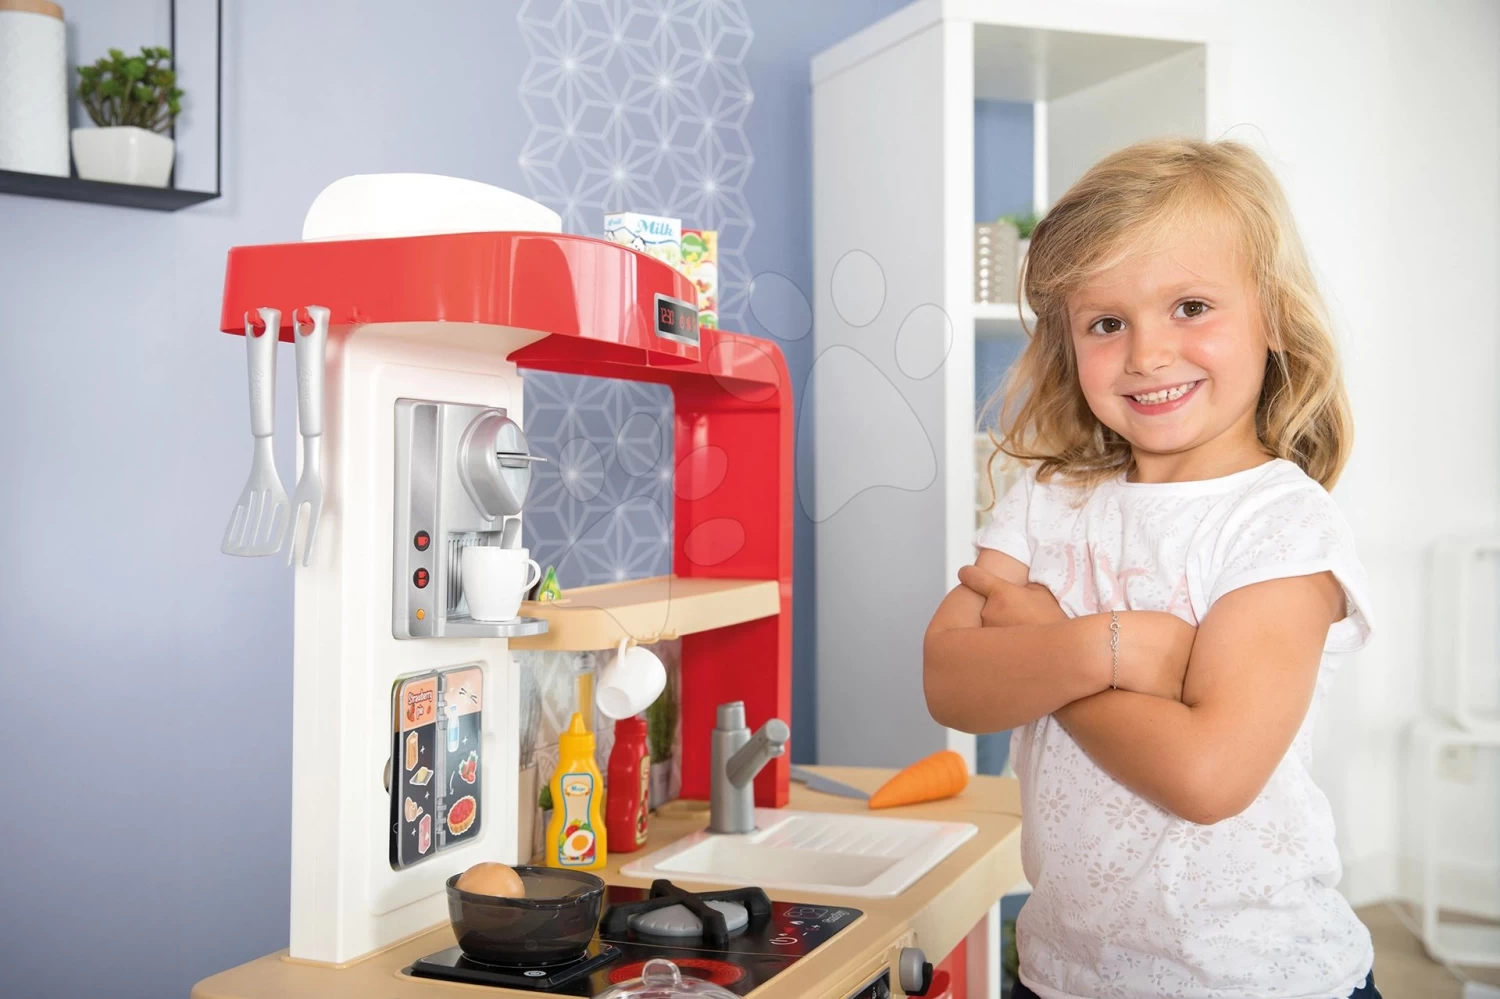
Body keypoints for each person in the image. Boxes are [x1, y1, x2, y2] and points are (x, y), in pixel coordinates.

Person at [924, 138, 1380, 999]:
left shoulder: (1282, 524)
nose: (1147, 353)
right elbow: (949, 680)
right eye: (1107, 323)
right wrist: (1115, 647)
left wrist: (1044, 645)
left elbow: (1207, 775)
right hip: (1064, 974)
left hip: (1255, 980)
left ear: (1274, 315)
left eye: (1191, 306)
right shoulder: (1048, 496)